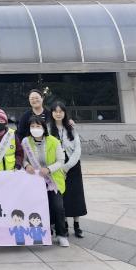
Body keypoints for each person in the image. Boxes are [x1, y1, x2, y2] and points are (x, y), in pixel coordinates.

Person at [22, 115, 69, 248]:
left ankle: (61, 235)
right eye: (32, 126)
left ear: (43, 128)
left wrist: (49, 169)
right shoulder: (26, 142)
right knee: (41, 208)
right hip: (35, 182)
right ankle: (46, 233)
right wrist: (27, 165)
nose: (35, 129)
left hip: (53, 180)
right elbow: (24, 159)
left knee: (58, 207)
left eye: (38, 126)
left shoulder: (54, 141)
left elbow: (61, 161)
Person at [49, 101, 87, 238]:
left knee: (76, 196)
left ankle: (77, 225)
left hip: (73, 166)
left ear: (65, 113)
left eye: (61, 111)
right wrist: (59, 168)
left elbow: (77, 150)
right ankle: (63, 224)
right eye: (55, 111)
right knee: (62, 197)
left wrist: (66, 167)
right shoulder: (49, 129)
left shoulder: (71, 128)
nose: (58, 114)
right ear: (52, 113)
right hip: (57, 167)